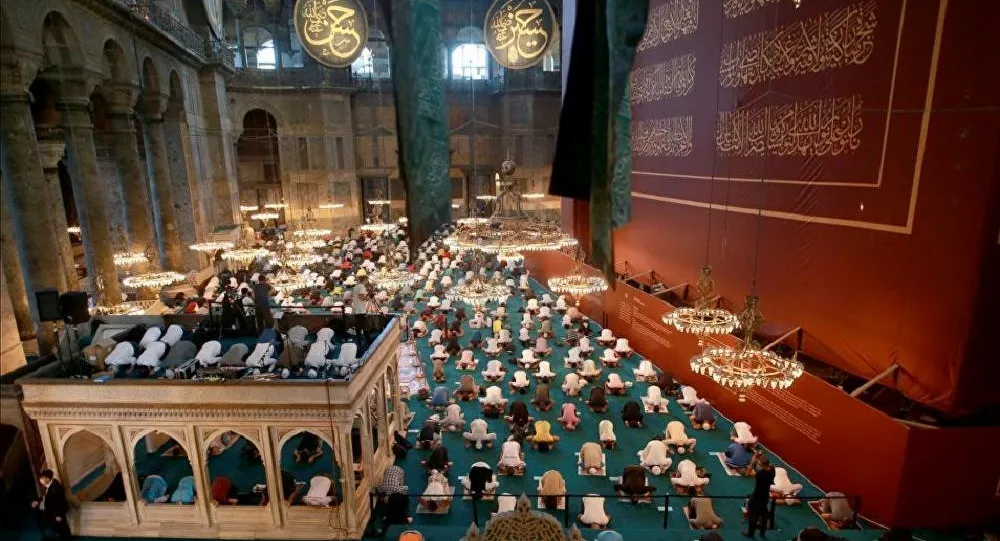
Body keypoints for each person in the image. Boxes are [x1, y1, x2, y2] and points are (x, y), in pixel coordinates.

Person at [32, 469, 70, 540]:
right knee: (59, 528)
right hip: (52, 512)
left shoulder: (55, 487)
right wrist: (37, 501)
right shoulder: (48, 486)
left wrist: (58, 515)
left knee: (63, 529)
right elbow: (45, 496)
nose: (40, 480)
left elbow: (58, 502)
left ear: (47, 478)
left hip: (57, 512)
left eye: (42, 478)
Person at [744, 458, 775, 538]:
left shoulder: (760, 474)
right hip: (765, 497)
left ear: (762, 465)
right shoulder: (771, 472)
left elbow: (748, 473)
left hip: (757, 496)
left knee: (753, 515)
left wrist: (753, 460)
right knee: (763, 515)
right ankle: (762, 533)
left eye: (760, 464)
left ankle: (750, 533)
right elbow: (771, 467)